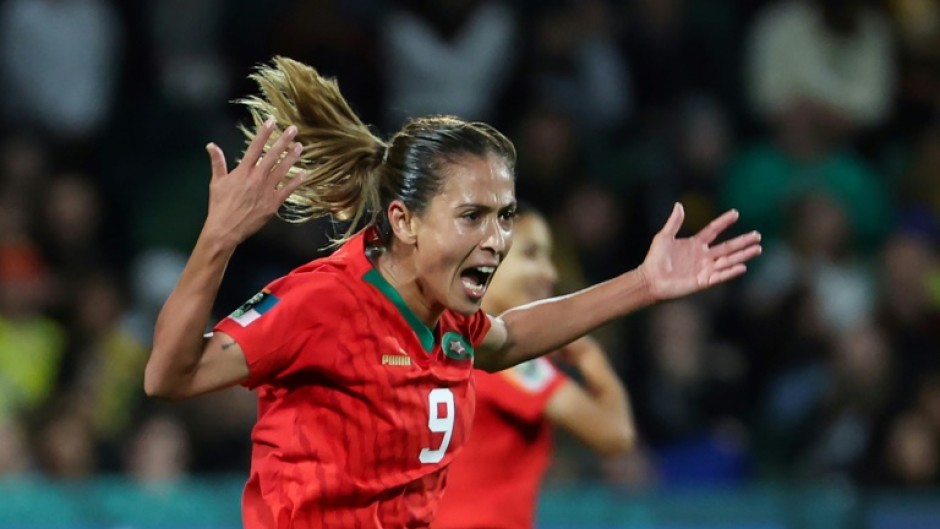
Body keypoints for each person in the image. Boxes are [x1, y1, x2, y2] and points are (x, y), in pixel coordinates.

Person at [144, 56, 762, 529]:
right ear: (405, 221)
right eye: (473, 216)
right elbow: (169, 378)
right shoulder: (322, 303)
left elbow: (508, 338)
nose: (497, 239)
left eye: (505, 215)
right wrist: (217, 241)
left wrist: (644, 284)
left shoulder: (445, 313)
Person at [434, 202, 637, 529]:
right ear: (486, 258)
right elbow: (615, 435)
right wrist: (587, 353)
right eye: (531, 255)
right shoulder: (501, 357)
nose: (550, 273)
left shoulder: (442, 333)